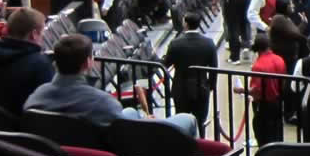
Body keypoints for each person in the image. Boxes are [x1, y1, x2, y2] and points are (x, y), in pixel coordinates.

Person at [27, 33, 198, 135]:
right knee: (187, 119)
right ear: (88, 63)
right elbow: (127, 135)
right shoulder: (101, 102)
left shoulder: (35, 99)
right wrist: (147, 122)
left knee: (131, 111)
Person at [164, 12, 217, 135]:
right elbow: (214, 68)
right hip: (201, 87)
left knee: (182, 123)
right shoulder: (208, 43)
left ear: (185, 24)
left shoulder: (176, 43)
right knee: (201, 122)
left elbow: (166, 64)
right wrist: (211, 85)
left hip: (181, 88)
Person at [246, 33, 286, 147]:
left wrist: (241, 90)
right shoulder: (279, 59)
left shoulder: (258, 66)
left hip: (264, 105)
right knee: (276, 131)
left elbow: (256, 91)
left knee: (263, 134)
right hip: (277, 102)